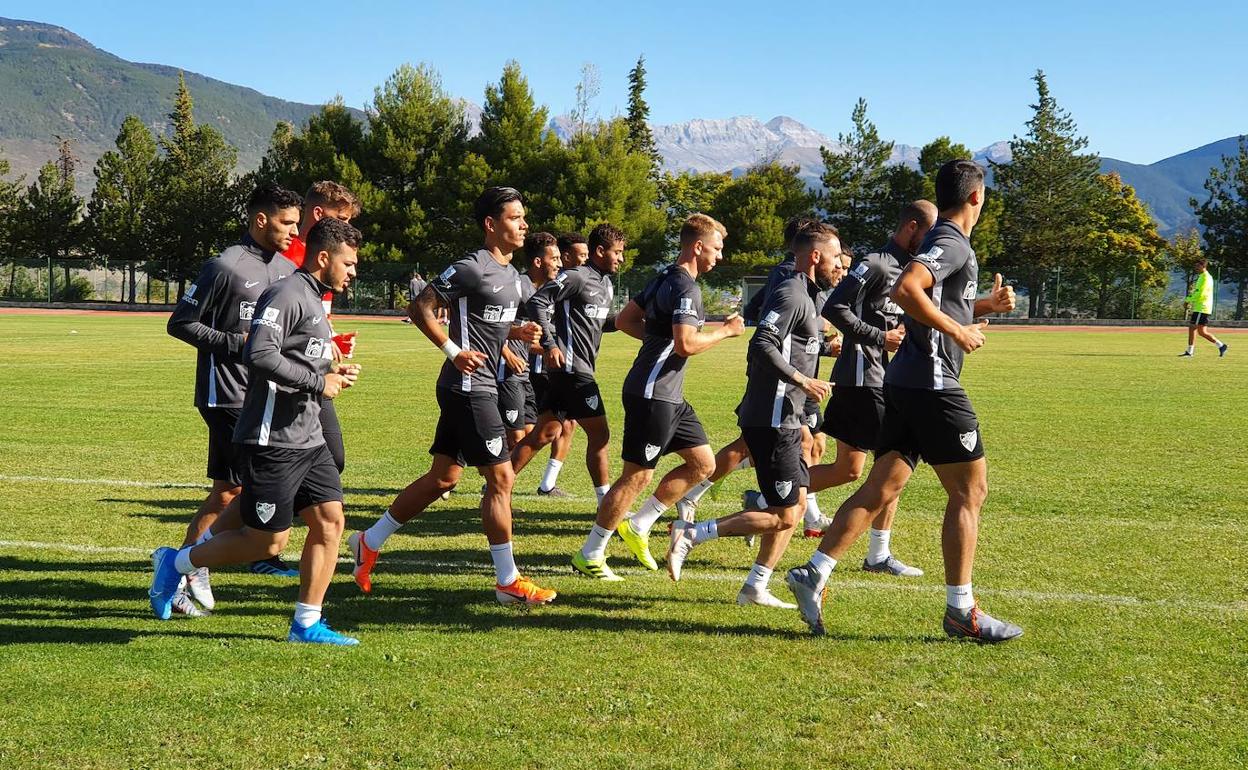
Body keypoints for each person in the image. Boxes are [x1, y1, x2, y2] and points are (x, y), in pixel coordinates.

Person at [786, 160, 1021, 642]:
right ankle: (962, 611)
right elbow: (907, 288)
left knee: (880, 488)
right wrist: (958, 330)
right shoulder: (952, 241)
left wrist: (981, 309)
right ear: (977, 198)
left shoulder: (945, 242)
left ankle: (814, 572)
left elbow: (932, 299)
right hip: (933, 386)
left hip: (904, 382)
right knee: (969, 493)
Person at [149, 217, 364, 645]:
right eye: (349, 263)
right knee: (265, 544)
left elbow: (296, 356)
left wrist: (331, 365)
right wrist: (320, 382)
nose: (353, 271)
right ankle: (176, 564)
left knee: (329, 522)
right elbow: (259, 353)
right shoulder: (287, 294)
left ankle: (306, 624)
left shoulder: (314, 299)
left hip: (308, 437)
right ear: (324, 258)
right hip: (272, 439)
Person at [346, 187, 556, 606]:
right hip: (467, 387)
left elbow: (486, 323)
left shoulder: (513, 278)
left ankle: (368, 542)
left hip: (477, 386)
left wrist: (518, 334)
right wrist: (453, 351)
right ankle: (507, 582)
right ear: (491, 225)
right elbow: (420, 307)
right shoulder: (471, 267)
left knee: (444, 477)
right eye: (515, 217)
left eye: (524, 217)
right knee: (501, 478)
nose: (523, 224)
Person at [665, 222, 840, 607]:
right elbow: (763, 343)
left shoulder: (810, 296)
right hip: (774, 418)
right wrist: (803, 380)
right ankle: (692, 534)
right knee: (782, 515)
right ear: (815, 257)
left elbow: (794, 346)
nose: (839, 264)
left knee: (793, 511)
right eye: (834, 257)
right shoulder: (792, 293)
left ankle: (755, 585)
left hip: (790, 418)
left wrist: (823, 355)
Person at [572, 213, 744, 580]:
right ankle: (591, 552)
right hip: (653, 392)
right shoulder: (685, 288)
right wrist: (726, 331)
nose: (720, 256)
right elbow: (686, 344)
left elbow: (625, 322)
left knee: (703, 465)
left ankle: (638, 525)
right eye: (716, 248)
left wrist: (657, 342)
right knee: (637, 476)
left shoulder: (664, 276)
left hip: (668, 394)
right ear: (698, 247)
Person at [165, 184, 301, 615]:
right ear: (261, 219)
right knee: (249, 485)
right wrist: (235, 342)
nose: (294, 232)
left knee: (228, 490)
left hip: (263, 394)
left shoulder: (285, 269)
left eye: (297, 223)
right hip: (225, 392)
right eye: (287, 222)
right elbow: (180, 323)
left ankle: (182, 570)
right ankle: (190, 567)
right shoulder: (225, 266)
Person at [806, 200, 938, 577]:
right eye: (928, 236)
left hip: (884, 379)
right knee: (892, 466)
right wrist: (878, 337)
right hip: (865, 379)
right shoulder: (877, 263)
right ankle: (877, 554)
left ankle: (777, 491)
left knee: (851, 469)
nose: (931, 247)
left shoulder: (910, 269)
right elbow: (835, 307)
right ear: (911, 227)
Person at [509, 224, 625, 504]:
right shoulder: (576, 276)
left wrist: (635, 321)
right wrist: (550, 344)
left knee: (545, 432)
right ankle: (606, 505)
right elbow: (538, 301)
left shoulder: (606, 284)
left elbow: (599, 322)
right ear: (600, 251)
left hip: (569, 373)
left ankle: (496, 488)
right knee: (601, 436)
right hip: (573, 372)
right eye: (618, 252)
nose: (621, 259)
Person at [495, 232, 558, 449]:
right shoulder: (518, 285)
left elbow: (528, 338)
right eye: (555, 259)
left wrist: (551, 350)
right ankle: (493, 477)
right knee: (516, 438)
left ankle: (494, 474)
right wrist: (508, 354)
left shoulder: (545, 293)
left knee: (531, 435)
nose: (559, 264)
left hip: (525, 373)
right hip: (506, 371)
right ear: (538, 261)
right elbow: (495, 325)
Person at [1179, 259, 1228, 357]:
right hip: (1202, 307)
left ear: (1203, 266)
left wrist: (1188, 300)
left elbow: (1200, 293)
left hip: (1202, 307)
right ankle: (1221, 345)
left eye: (1197, 266)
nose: (1196, 268)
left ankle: (1190, 352)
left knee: (1192, 328)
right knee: (1201, 332)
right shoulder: (1203, 277)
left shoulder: (1205, 278)